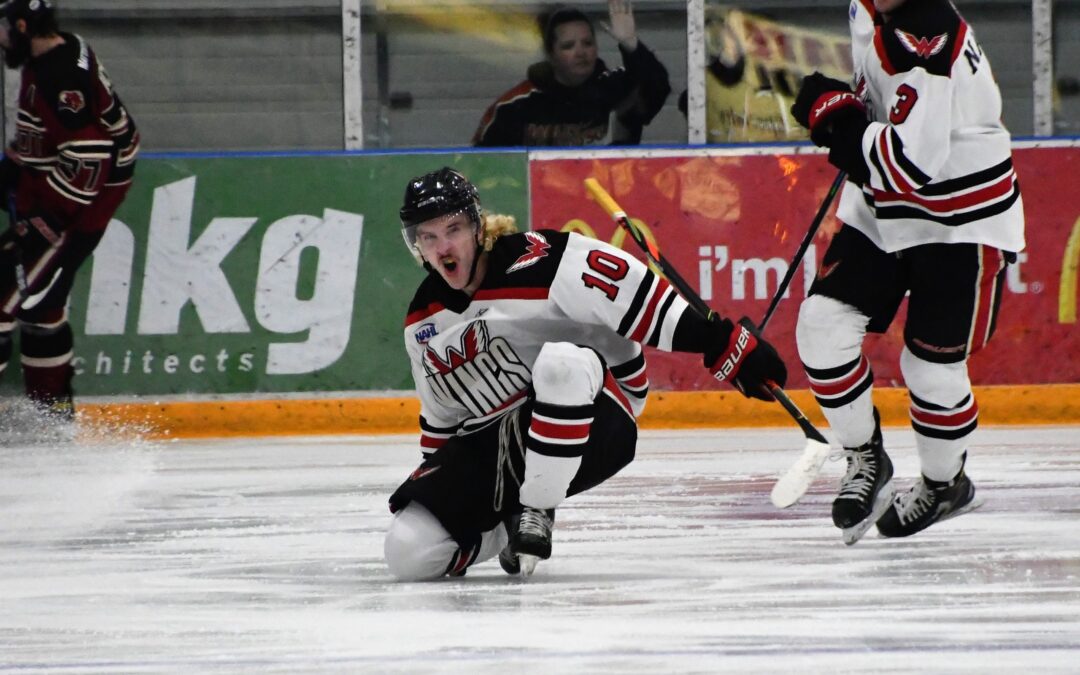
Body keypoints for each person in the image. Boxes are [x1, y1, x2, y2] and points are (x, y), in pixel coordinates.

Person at [384, 167, 788, 580]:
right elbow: (442, 416)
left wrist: (719, 341)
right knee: (406, 552)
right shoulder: (422, 322)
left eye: (452, 229)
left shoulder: (542, 259)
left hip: (598, 411)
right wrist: (444, 489)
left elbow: (638, 298)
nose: (443, 246)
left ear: (477, 226)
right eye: (428, 236)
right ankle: (502, 532)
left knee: (562, 364)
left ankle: (536, 509)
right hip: (501, 439)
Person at [790, 0, 1024, 541]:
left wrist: (841, 125)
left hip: (960, 222)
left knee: (930, 369)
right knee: (822, 327)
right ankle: (866, 459)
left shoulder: (926, 42)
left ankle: (946, 486)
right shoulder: (867, 8)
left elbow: (909, 167)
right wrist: (849, 106)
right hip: (884, 211)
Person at [0, 0, 139, 420]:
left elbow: (91, 154)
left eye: (3, 27)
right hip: (60, 193)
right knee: (43, 307)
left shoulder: (59, 76)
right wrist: (18, 165)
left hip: (74, 209)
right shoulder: (58, 50)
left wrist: (49, 220)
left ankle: (52, 417)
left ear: (22, 26)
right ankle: (52, 419)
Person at [472, 0, 670, 146]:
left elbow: (657, 87)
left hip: (610, 200)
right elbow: (482, 164)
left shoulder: (616, 89)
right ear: (551, 54)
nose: (581, 52)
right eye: (568, 46)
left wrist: (630, 43)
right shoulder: (515, 106)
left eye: (588, 43)